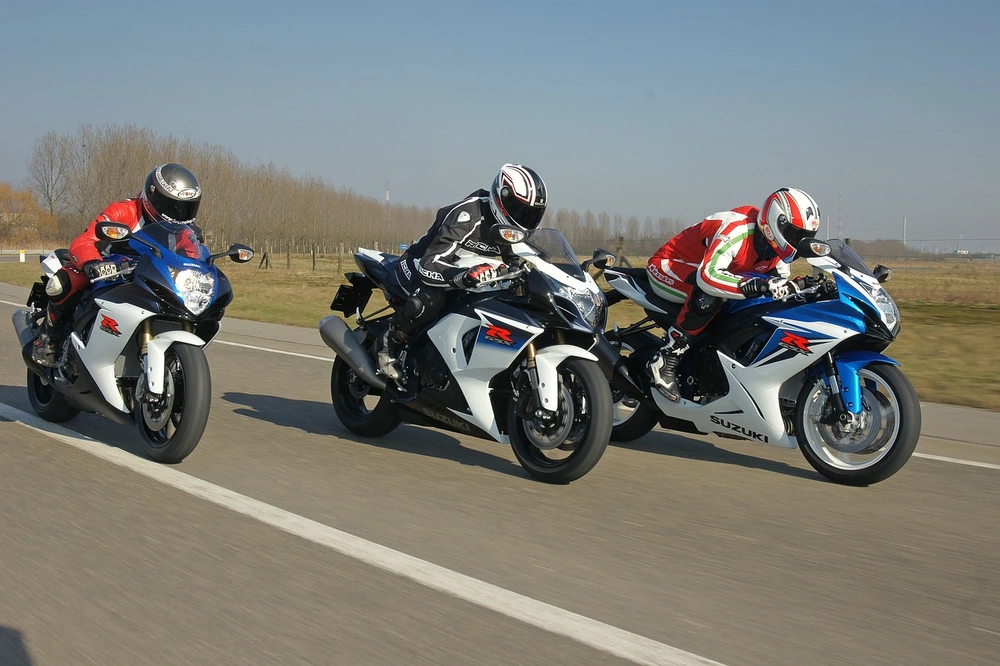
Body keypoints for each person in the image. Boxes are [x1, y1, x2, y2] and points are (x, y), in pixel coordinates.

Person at [377, 163, 548, 390]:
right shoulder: (468, 216)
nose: (525, 219)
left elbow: (527, 260)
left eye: (532, 214)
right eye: (520, 211)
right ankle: (389, 343)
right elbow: (431, 264)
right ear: (501, 198)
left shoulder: (511, 230)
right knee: (431, 299)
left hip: (463, 271)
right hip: (420, 265)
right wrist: (461, 277)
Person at [645, 187, 821, 401]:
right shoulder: (737, 228)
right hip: (669, 266)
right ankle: (666, 359)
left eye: (804, 237)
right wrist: (756, 285)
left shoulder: (777, 254)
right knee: (711, 295)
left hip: (708, 272)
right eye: (795, 234)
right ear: (777, 221)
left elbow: (779, 289)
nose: (797, 241)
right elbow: (708, 276)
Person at [32, 163, 203, 366]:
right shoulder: (124, 211)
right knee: (69, 279)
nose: (178, 214)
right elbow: (84, 241)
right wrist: (93, 263)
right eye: (172, 206)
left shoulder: (183, 232)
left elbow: (193, 259)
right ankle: (49, 337)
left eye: (186, 209)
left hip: (151, 278)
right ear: (153, 196)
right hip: (108, 271)